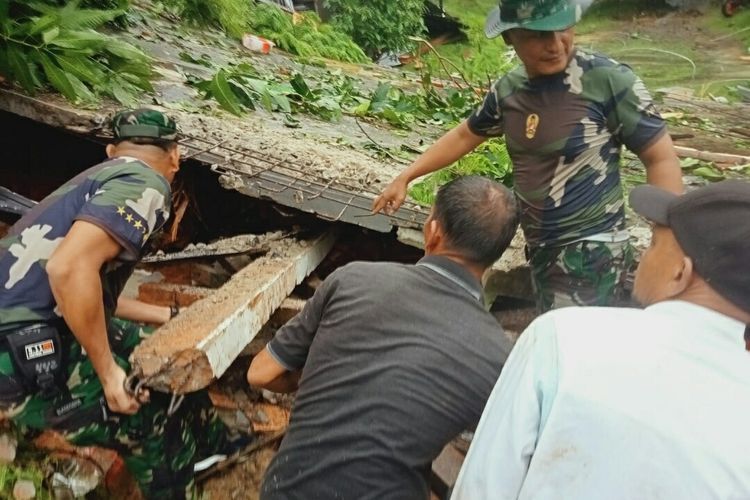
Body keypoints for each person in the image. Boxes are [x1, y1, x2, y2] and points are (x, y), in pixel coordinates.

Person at [373, 0, 684, 312]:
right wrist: (407, 176)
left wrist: (667, 242)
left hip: (592, 252)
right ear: (511, 37)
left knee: (573, 347)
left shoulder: (607, 82)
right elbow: (465, 134)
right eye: (537, 35)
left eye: (562, 28)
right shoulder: (510, 91)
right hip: (541, 251)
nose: (554, 44)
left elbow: (661, 159)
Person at [450, 179, 750, 500]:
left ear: (681, 273)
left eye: (651, 243)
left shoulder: (561, 339)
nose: (641, 257)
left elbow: (482, 489)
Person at [247, 176, 519, 500]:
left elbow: (260, 372)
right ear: (497, 254)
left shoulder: (353, 279)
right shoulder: (499, 355)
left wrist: (319, 379)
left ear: (433, 232)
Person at [0, 109, 225, 498]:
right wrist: (108, 375)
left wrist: (166, 317)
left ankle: (215, 445)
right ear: (175, 154)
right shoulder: (147, 183)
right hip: (18, 350)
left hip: (32, 323)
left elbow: (84, 291)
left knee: (162, 351)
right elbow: (68, 270)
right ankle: (174, 484)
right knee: (144, 415)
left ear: (110, 150)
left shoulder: (97, 179)